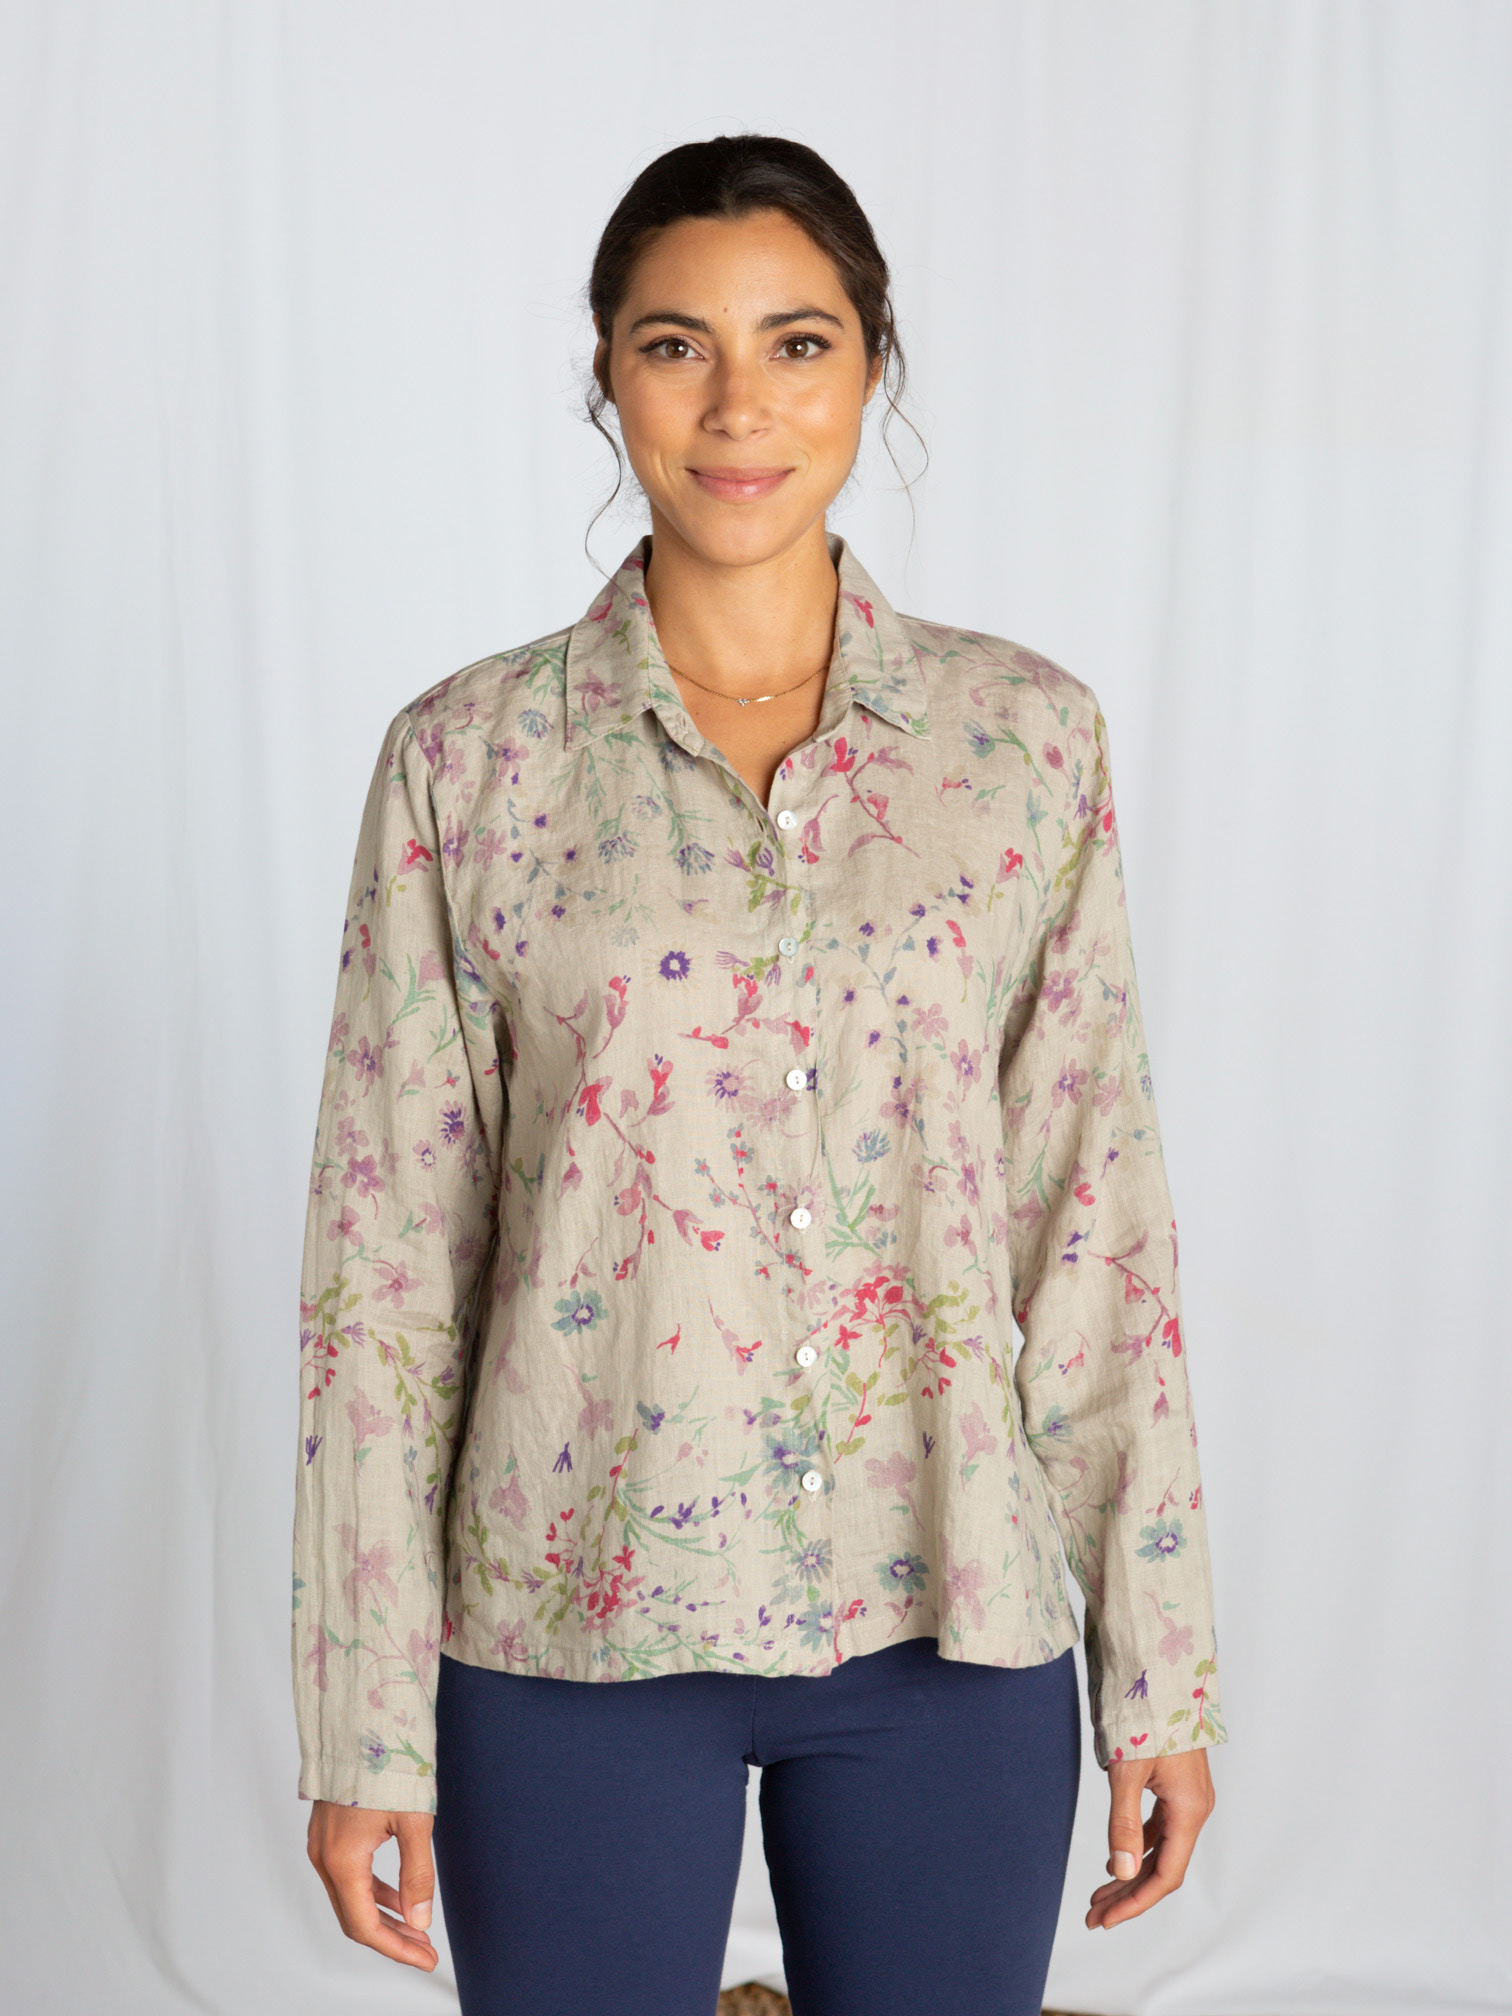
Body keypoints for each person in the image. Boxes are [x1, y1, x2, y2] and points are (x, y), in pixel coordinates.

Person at [293, 133, 1225, 2016]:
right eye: (675, 346)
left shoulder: (1021, 745)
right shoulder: (468, 762)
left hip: (951, 1627)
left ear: (873, 364)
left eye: (798, 343)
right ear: (606, 375)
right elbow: (383, 1285)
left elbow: (1094, 1229)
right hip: (566, 1632)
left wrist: (1163, 1672)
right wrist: (362, 1721)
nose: (739, 406)